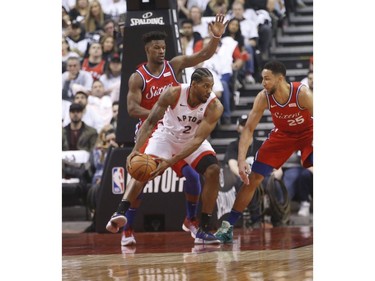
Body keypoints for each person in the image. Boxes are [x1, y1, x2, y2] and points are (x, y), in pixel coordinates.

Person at [106, 14, 228, 246]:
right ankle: (125, 224)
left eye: (163, 47)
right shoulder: (138, 77)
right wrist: (158, 112)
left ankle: (193, 221)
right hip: (155, 129)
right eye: (156, 48)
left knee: (196, 176)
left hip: (181, 130)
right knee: (141, 173)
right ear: (147, 50)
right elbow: (132, 109)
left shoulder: (175, 66)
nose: (161, 51)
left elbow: (204, 55)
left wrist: (215, 37)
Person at [214, 60, 313, 243]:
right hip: (283, 136)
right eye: (262, 79)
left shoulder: (302, 93)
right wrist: (242, 159)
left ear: (280, 79)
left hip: (309, 132)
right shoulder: (263, 97)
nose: (263, 83)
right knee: (253, 180)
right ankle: (228, 226)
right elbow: (249, 128)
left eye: (267, 79)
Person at [126, 68, 224, 244]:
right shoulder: (174, 93)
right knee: (143, 172)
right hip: (166, 137)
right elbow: (149, 122)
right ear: (194, 85)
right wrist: (135, 150)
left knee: (212, 171)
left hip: (190, 141)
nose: (209, 90)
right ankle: (123, 216)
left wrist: (170, 161)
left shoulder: (214, 105)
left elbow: (197, 140)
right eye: (205, 86)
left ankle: (203, 226)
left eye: (211, 86)